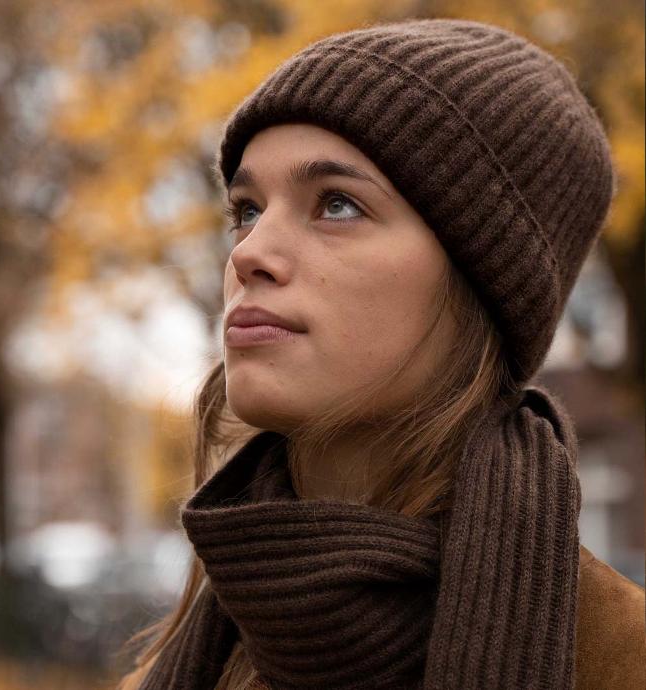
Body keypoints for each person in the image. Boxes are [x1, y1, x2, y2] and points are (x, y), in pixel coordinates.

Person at [119, 17, 645, 690]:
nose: (247, 254)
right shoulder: (179, 670)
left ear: (482, 285)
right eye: (247, 210)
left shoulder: (618, 659)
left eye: (337, 205)